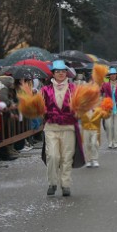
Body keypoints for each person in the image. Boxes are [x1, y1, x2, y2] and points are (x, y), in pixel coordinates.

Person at [41, 60, 85, 197]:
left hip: (68, 127)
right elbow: (40, 108)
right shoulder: (45, 90)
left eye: (63, 71)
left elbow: (81, 106)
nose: (61, 74)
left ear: (67, 73)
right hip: (51, 127)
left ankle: (65, 184)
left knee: (66, 157)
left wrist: (79, 111)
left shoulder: (74, 89)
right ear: (53, 74)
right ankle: (52, 183)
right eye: (58, 71)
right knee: (53, 156)